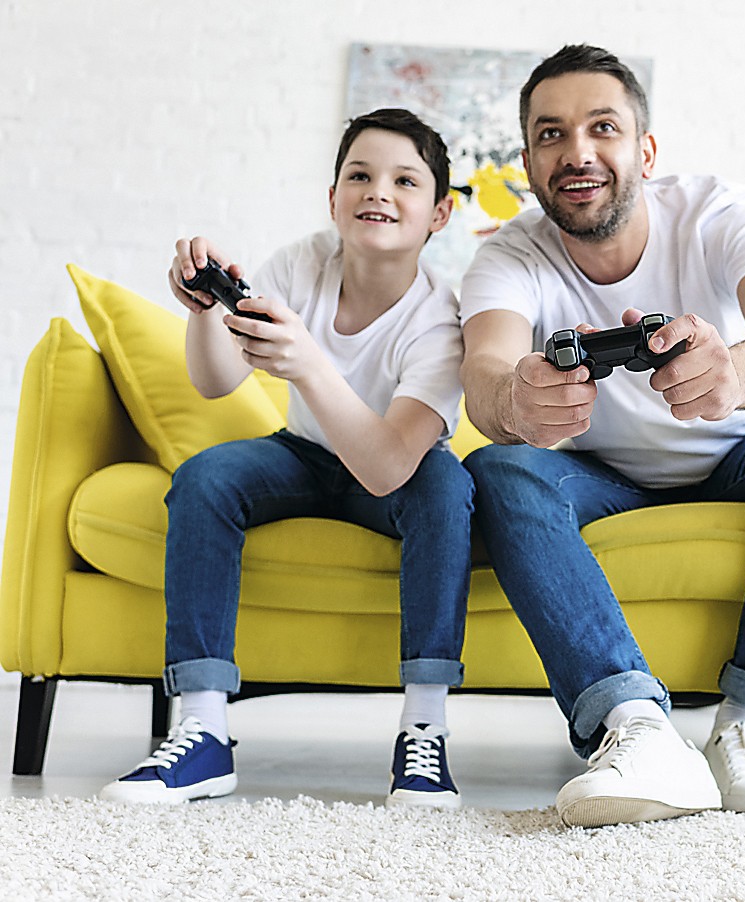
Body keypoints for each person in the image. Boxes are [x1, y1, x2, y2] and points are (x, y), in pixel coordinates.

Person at [458, 45, 745, 828]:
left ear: (645, 151)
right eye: (550, 135)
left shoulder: (717, 210)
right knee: (498, 466)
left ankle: (743, 726)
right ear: (528, 164)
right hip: (602, 474)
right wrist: (515, 400)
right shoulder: (507, 255)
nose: (576, 152)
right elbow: (483, 370)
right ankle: (637, 727)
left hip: (738, 457)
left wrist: (735, 372)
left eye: (602, 128)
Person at [99, 108, 473, 808]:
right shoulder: (303, 263)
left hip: (396, 469)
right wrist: (204, 311)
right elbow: (216, 381)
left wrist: (308, 363)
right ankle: (203, 730)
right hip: (305, 454)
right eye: (359, 175)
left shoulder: (441, 320)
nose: (378, 191)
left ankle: (425, 727)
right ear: (332, 199)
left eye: (404, 181)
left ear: (440, 213)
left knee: (446, 488)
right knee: (205, 479)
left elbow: (387, 466)